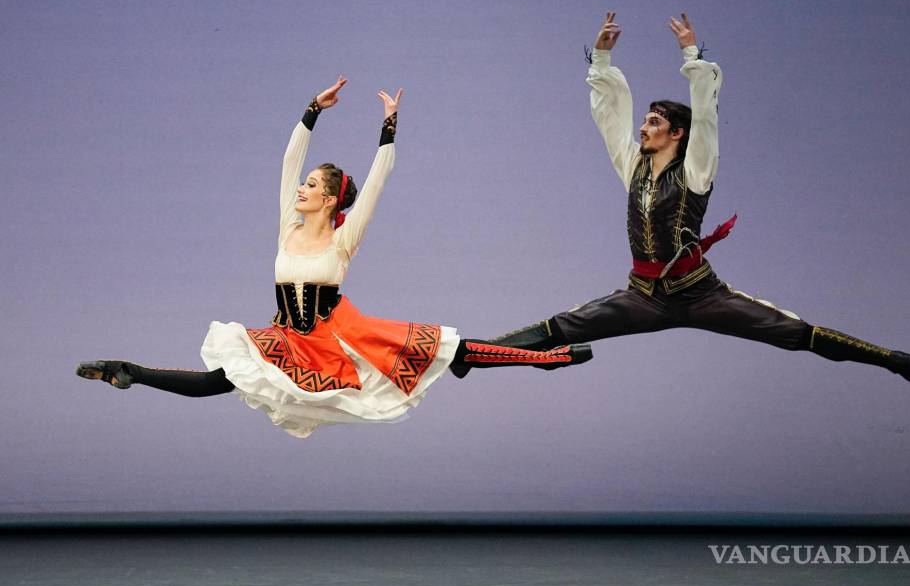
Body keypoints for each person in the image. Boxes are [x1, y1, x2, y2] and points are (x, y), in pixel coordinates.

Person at [77, 77, 591, 437]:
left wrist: (389, 126)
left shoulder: (344, 240)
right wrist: (312, 111)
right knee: (222, 380)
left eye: (312, 186)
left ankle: (543, 357)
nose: (301, 189)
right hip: (286, 336)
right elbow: (287, 162)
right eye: (304, 184)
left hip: (339, 333)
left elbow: (377, 184)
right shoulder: (287, 226)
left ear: (329, 199)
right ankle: (130, 370)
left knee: (443, 348)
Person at [490, 12, 910, 382]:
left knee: (791, 331)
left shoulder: (695, 170)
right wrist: (603, 63)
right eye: (645, 120)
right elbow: (608, 119)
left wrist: (691, 53)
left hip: (700, 294)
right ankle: (474, 355)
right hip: (643, 295)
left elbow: (706, 114)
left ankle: (895, 360)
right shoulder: (633, 167)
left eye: (653, 122)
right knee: (562, 327)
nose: (643, 128)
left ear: (676, 133)